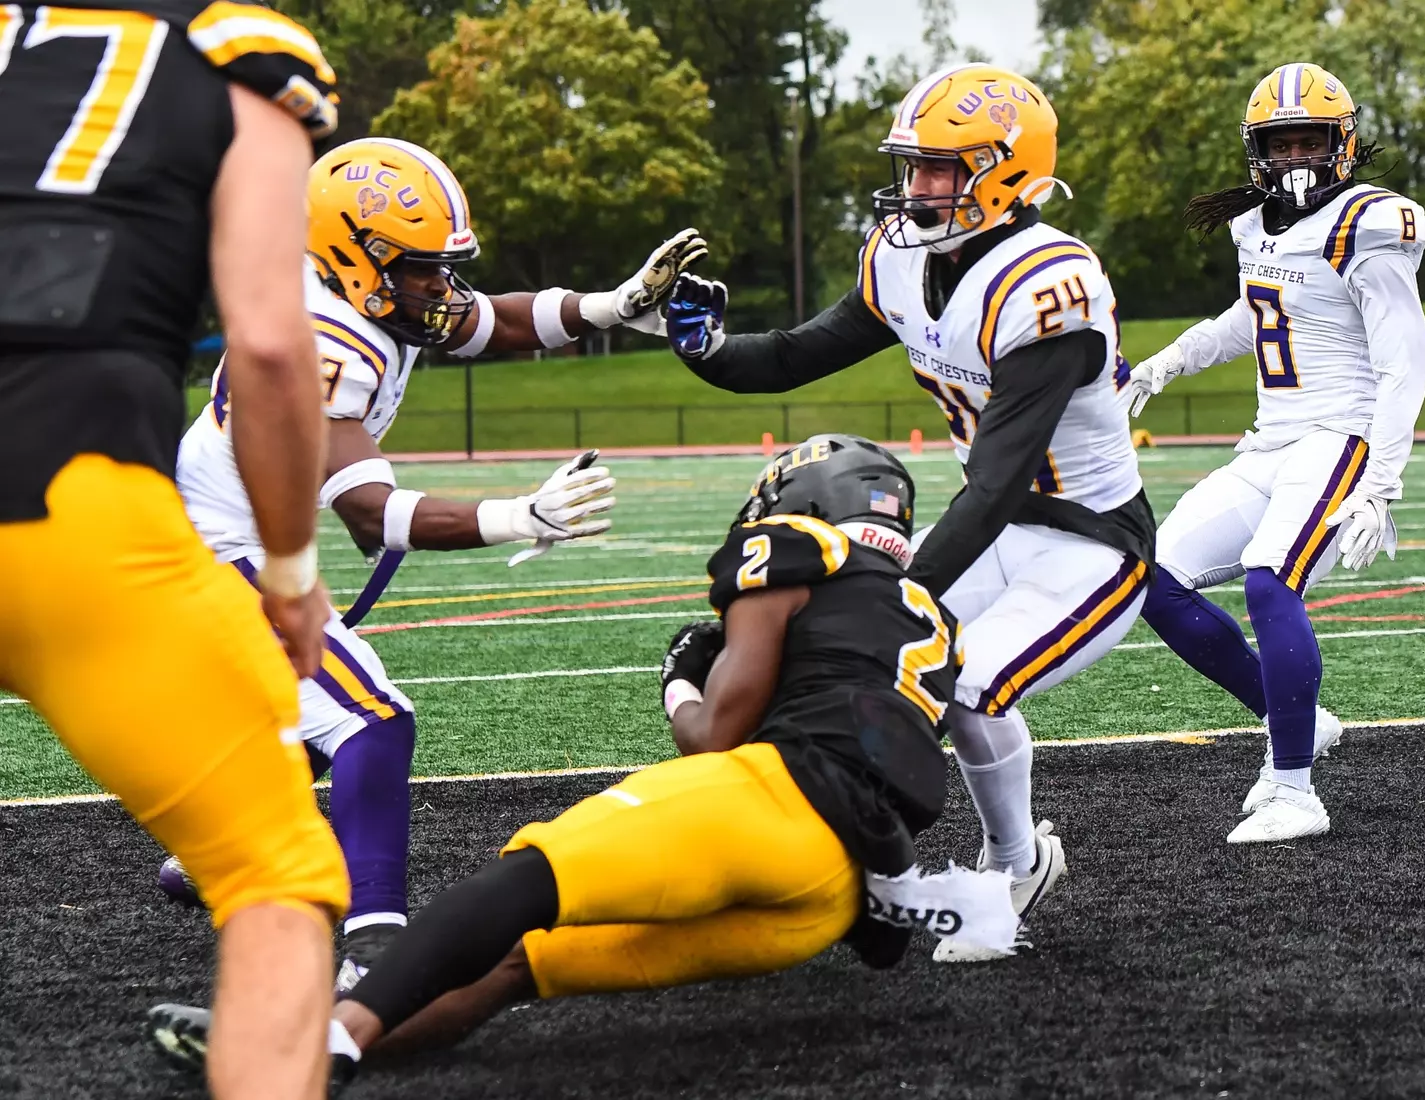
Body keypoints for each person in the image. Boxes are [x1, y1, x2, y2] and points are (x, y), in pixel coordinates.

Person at [149, 434, 1016, 1089]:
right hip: (829, 900)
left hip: (767, 804)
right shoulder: (927, 617)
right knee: (515, 966)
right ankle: (295, 1051)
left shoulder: (794, 548)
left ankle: (319, 1049)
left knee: (519, 885)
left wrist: (679, 680)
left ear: (804, 502)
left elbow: (715, 737)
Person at [153, 135, 706, 991]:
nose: (441, 289)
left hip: (244, 533)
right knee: (373, 717)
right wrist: (518, 515)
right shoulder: (321, 336)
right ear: (352, 259)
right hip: (209, 552)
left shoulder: (368, 294)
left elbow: (499, 321)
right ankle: (376, 946)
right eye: (421, 270)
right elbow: (373, 519)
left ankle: (214, 854)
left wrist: (612, 303)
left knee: (319, 701)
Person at [662, 63, 1156, 961]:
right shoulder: (903, 257)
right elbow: (792, 356)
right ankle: (789, 855)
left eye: (943, 169)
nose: (919, 188)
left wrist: (898, 605)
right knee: (822, 657)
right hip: (997, 527)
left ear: (1008, 172)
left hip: (1088, 542)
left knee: (963, 682)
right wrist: (704, 351)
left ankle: (1016, 861)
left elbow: (1001, 480)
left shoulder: (1049, 284)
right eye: (915, 166)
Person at [0, 1, 350, 1096]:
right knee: (277, 872)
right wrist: (290, 574)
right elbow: (266, 341)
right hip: (69, 493)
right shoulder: (236, 48)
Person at [1124, 62, 1425, 843]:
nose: (1294, 158)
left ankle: (1294, 789)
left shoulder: (1372, 223)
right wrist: (1168, 361)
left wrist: (1383, 482)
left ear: (1344, 145)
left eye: (1309, 141)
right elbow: (1253, 315)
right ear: (1257, 150)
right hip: (1270, 440)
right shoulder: (1254, 226)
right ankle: (1297, 717)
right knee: (1150, 579)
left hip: (1340, 437)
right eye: (1279, 143)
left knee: (1269, 581)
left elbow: (1403, 363)